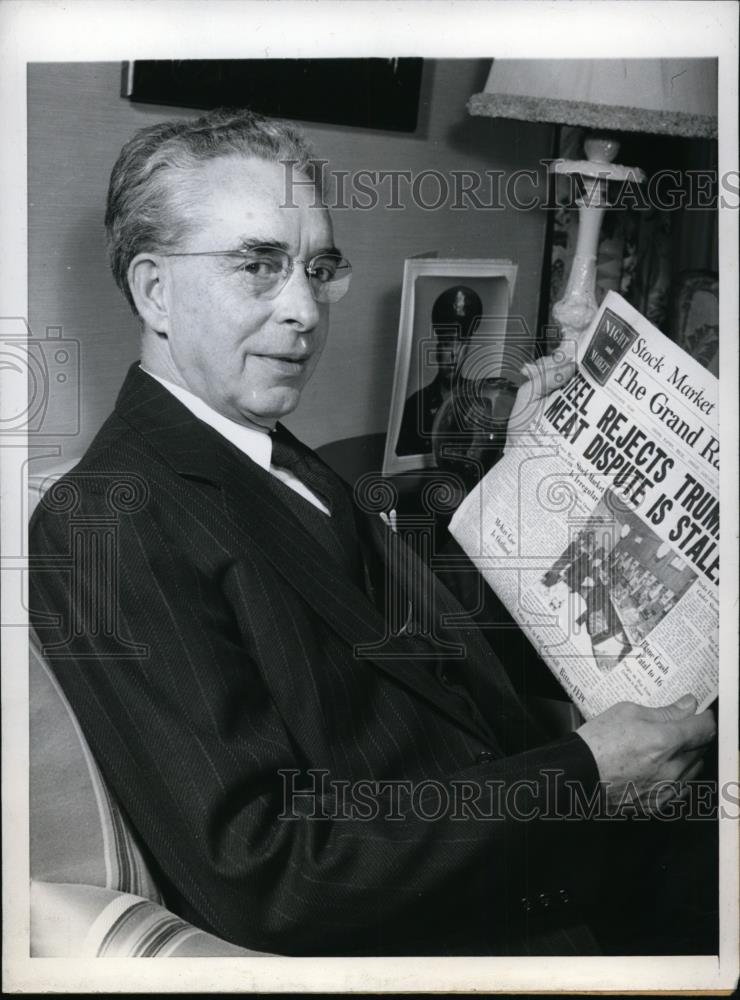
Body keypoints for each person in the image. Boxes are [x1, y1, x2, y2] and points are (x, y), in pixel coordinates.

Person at [29, 109, 717, 958]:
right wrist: (581, 775)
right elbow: (268, 874)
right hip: (467, 936)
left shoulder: (275, 453)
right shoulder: (106, 521)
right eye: (258, 266)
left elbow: (431, 673)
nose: (305, 310)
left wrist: (531, 476)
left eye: (317, 268)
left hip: (551, 860)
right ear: (153, 290)